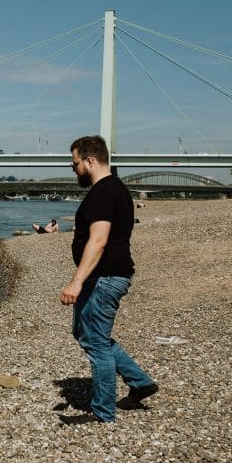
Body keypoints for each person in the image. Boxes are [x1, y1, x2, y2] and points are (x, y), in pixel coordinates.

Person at [59, 135, 158, 424]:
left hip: (105, 277)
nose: (73, 168)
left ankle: (103, 412)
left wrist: (76, 281)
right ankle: (140, 383)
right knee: (85, 333)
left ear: (90, 160)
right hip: (103, 275)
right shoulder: (113, 189)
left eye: (74, 163)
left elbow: (99, 240)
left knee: (97, 344)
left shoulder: (104, 192)